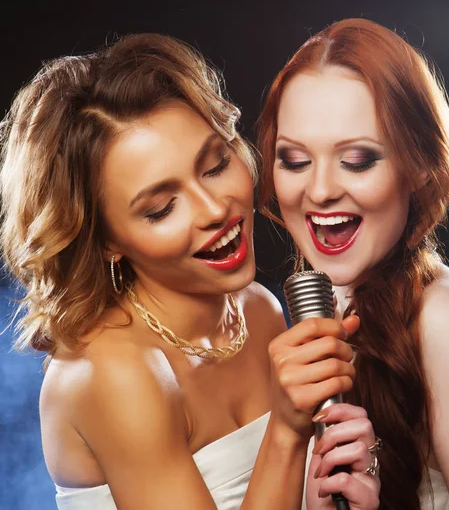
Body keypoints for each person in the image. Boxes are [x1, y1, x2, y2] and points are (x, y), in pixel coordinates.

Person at [0, 33, 380, 509]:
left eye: (216, 164)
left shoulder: (256, 310)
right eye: (161, 208)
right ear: (106, 241)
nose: (214, 209)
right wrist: (286, 430)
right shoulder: (113, 373)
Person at [257, 18, 449, 510]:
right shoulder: (319, 307)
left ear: (418, 166)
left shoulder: (443, 324)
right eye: (295, 160)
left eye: (358, 159)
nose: (320, 190)